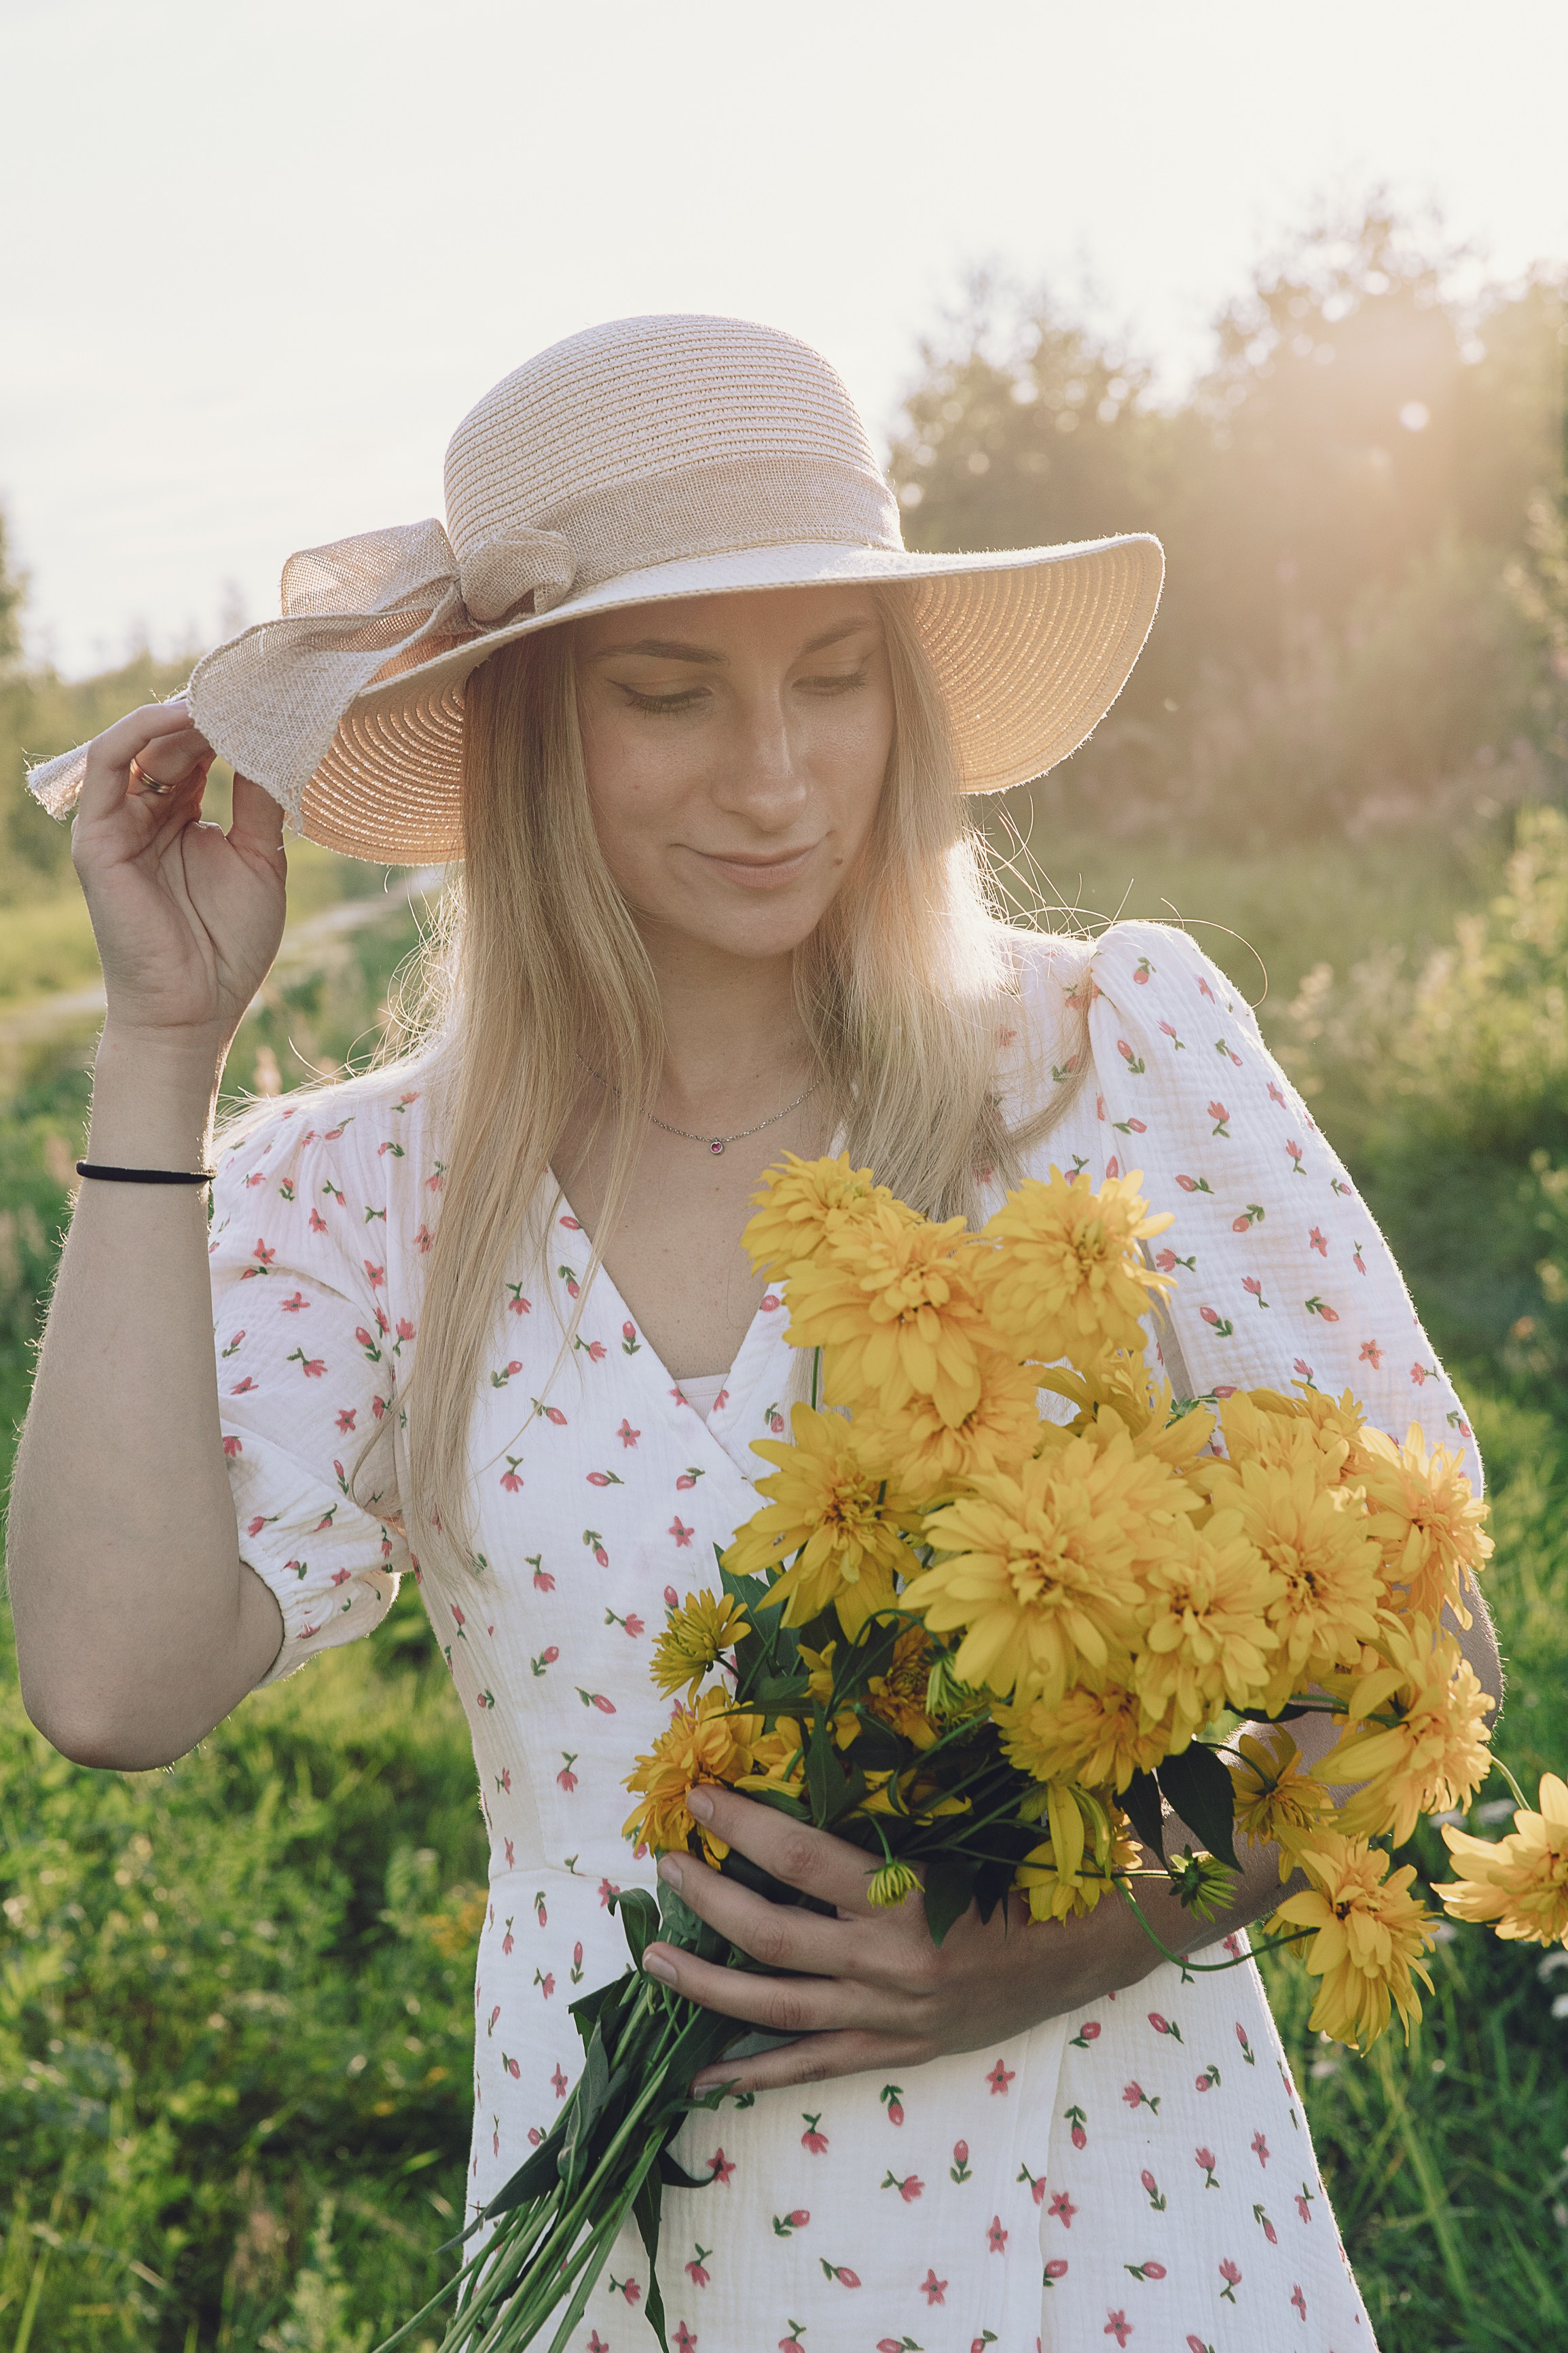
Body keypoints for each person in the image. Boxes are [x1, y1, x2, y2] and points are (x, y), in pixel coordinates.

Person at [12, 314, 1498, 2352]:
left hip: (1107, 2211)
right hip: (633, 2251)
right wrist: (165, 1050)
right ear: (528, 728)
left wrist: (1045, 1949)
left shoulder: (1100, 1059)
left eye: (832, 680)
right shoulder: (365, 1196)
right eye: (668, 694)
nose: (777, 775)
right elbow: (111, 1681)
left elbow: (1429, 1643)